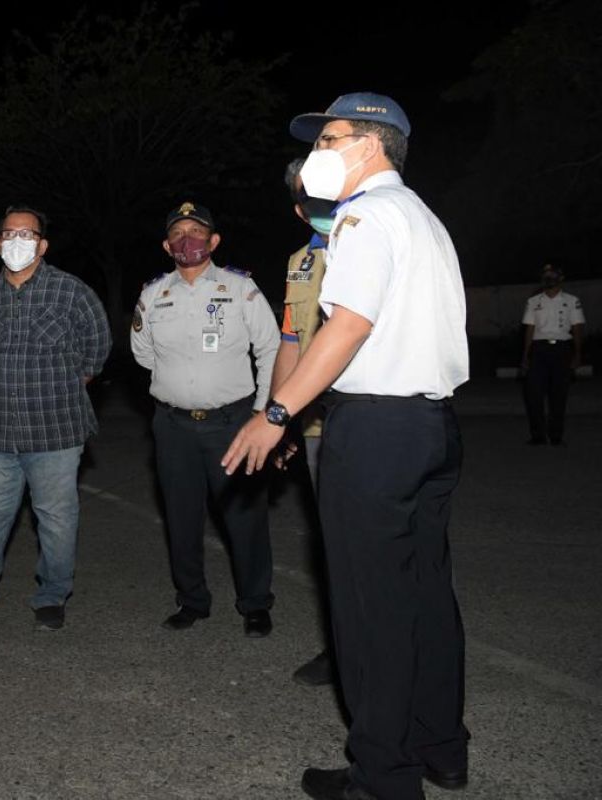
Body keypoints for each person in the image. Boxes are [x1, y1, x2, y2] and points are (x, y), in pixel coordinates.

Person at [223, 92, 470, 800]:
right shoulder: (423, 218)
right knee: (427, 596)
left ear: (370, 145)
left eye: (330, 139)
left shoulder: (363, 217)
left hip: (378, 430)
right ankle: (441, 748)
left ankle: (383, 778)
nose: (318, 155)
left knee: (372, 609)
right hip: (434, 427)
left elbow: (349, 324)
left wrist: (276, 413)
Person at [0, 205, 110, 632]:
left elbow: (98, 348)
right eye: (10, 234)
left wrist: (63, 387)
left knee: (55, 520)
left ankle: (52, 596)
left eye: (28, 234)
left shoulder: (73, 292)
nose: (18, 241)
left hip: (55, 432)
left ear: (42, 244)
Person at [130, 202, 279, 638]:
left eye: (197, 231)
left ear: (214, 241)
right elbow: (142, 353)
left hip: (232, 422)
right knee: (181, 517)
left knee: (244, 517)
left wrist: (262, 414)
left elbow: (269, 349)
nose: (187, 239)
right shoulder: (153, 294)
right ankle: (192, 600)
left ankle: (255, 604)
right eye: (178, 233)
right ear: (166, 245)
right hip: (172, 425)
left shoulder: (240, 288)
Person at [275, 160, 337, 684]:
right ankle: (341, 648)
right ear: (300, 208)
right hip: (317, 427)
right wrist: (280, 417)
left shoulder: (370, 244)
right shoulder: (299, 262)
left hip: (372, 420)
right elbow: (292, 343)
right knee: (332, 546)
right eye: (308, 198)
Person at [521, 263, 585, 445]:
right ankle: (537, 435)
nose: (548, 278)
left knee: (559, 394)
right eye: (545, 275)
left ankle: (556, 435)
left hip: (562, 350)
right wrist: (525, 356)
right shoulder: (534, 302)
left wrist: (577, 354)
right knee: (533, 394)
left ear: (560, 278)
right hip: (539, 350)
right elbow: (529, 329)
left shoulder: (572, 301)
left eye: (552, 275)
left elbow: (578, 328)